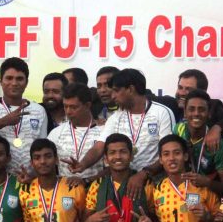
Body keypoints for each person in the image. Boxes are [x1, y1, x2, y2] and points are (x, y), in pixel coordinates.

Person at [73, 69, 175, 198]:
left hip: (155, 182)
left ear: (131, 89)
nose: (113, 96)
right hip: (124, 183)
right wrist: (82, 164)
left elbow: (167, 152)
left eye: (116, 90)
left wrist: (143, 174)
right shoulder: (116, 117)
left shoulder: (162, 113)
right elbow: (99, 147)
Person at [81, 134, 158, 222]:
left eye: (123, 152)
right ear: (106, 159)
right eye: (112, 153)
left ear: (131, 156)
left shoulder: (146, 185)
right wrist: (90, 221)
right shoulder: (97, 186)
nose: (118, 156)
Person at [146, 135, 219, 222]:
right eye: (166, 154)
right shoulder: (156, 189)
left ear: (185, 156)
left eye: (177, 153)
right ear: (160, 160)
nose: (171, 158)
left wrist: (208, 217)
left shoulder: (200, 185)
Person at [20, 139, 86, 222]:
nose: (43, 161)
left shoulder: (74, 187)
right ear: (32, 163)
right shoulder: (25, 191)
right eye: (37, 158)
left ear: (56, 159)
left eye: (48, 156)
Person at [174, 88, 223, 196]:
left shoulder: (219, 143)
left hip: (207, 200)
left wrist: (207, 182)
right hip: (178, 193)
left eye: (201, 109)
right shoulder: (178, 130)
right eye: (191, 109)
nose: (196, 113)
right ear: (185, 113)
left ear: (209, 113)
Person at [48, 83, 103, 181]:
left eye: (73, 107)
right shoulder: (56, 133)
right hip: (65, 193)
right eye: (65, 106)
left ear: (87, 105)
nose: (68, 111)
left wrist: (86, 181)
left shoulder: (104, 132)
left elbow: (111, 169)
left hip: (95, 192)